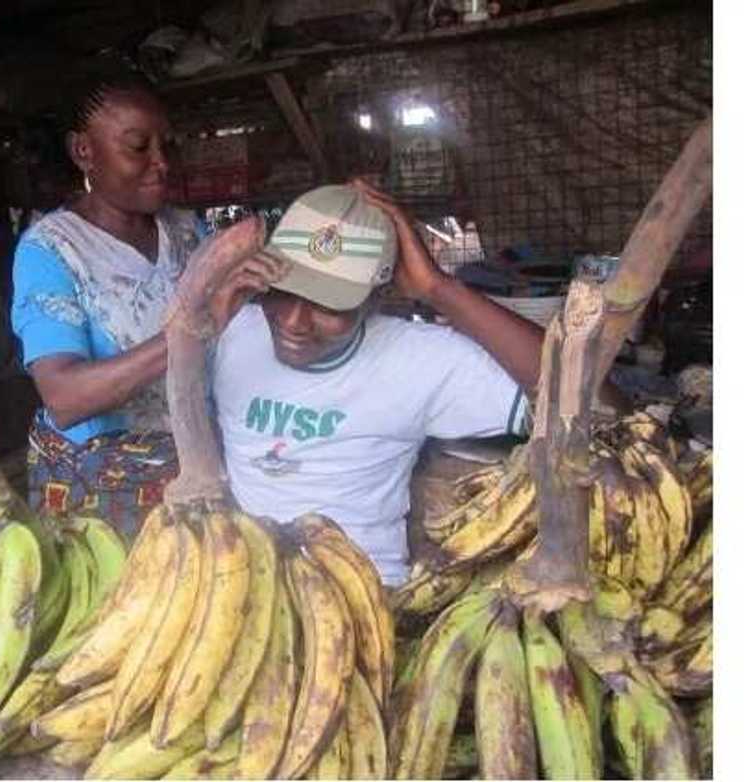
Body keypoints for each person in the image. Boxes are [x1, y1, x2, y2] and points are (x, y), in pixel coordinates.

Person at [208, 180, 548, 587]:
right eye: (279, 292)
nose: (294, 322)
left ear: (377, 297)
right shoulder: (229, 331)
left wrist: (436, 288)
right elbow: (132, 391)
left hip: (360, 594)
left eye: (329, 304)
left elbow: (593, 400)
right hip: (239, 584)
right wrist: (202, 324)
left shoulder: (420, 359)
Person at [10, 65, 204, 537]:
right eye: (139, 147)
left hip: (193, 469)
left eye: (167, 145)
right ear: (83, 151)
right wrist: (188, 332)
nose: (162, 162)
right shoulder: (52, 250)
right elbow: (65, 397)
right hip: (95, 486)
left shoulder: (187, 231)